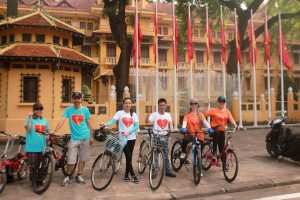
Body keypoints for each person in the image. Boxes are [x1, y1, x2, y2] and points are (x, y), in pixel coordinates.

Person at [54, 92, 93, 186]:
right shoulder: (68, 110)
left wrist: (91, 136)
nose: (77, 100)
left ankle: (79, 175)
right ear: (72, 100)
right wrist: (55, 131)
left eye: (78, 98)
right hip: (74, 138)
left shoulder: (85, 110)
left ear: (81, 100)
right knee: (71, 159)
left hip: (85, 137)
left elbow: (89, 123)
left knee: (82, 158)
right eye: (75, 98)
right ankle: (68, 175)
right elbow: (62, 120)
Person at [102, 97, 139, 183]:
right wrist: (105, 124)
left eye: (129, 103)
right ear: (123, 105)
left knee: (129, 158)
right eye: (126, 103)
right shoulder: (119, 113)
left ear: (131, 105)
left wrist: (129, 132)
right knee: (128, 156)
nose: (128, 105)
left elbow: (136, 126)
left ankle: (126, 175)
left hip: (132, 138)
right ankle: (133, 175)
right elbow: (112, 121)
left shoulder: (134, 114)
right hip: (123, 139)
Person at [145, 98, 176, 177]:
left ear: (165, 106)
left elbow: (170, 123)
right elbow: (148, 122)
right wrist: (148, 114)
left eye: (163, 105)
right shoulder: (154, 114)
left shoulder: (167, 115)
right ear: (158, 106)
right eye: (161, 105)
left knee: (166, 154)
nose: (162, 106)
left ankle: (168, 171)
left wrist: (171, 129)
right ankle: (154, 172)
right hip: (156, 136)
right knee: (155, 154)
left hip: (165, 136)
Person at [24, 102, 50, 185]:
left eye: (40, 109)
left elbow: (48, 131)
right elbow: (28, 129)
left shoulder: (44, 120)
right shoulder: (29, 119)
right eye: (37, 109)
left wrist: (49, 134)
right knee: (33, 166)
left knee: (43, 166)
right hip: (32, 147)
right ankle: (34, 182)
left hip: (42, 147)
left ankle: (40, 180)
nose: (39, 110)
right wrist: (30, 118)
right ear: (33, 110)